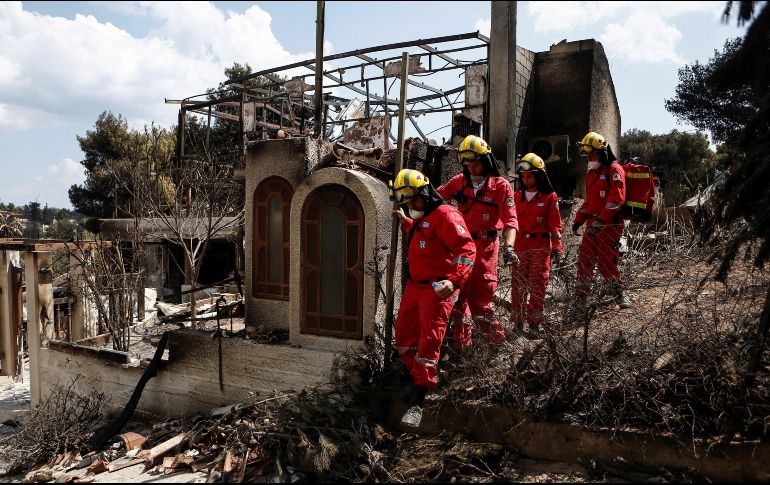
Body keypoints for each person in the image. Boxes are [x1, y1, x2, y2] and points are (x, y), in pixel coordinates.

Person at [390, 168, 476, 431]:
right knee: (403, 336)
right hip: (415, 287)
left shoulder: (446, 215)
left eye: (413, 201)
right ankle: (417, 377)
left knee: (430, 341)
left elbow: (467, 249)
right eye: (407, 203)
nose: (411, 206)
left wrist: (454, 281)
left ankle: (419, 399)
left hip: (437, 288)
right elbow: (424, 237)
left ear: (425, 194)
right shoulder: (422, 217)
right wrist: (407, 221)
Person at [435, 135, 519, 351]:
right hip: (460, 247)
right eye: (468, 166)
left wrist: (509, 247)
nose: (472, 169)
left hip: (485, 246)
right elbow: (434, 199)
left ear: (486, 161)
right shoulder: (459, 182)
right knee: (458, 298)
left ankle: (498, 346)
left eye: (476, 164)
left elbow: (511, 221)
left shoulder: (501, 186)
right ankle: (463, 349)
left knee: (480, 301)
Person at [571, 132, 633, 317]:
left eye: (591, 155)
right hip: (593, 223)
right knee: (585, 260)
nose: (588, 159)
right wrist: (578, 220)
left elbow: (616, 199)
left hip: (609, 223)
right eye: (586, 156)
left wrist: (601, 220)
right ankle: (581, 297)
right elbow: (588, 203)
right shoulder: (592, 173)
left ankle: (618, 293)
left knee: (607, 260)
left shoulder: (614, 170)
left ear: (602, 153)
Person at [510, 153, 564, 337]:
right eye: (523, 176)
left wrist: (557, 247)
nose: (526, 180)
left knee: (537, 284)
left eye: (530, 176)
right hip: (519, 246)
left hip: (540, 247)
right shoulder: (516, 197)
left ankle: (534, 324)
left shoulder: (550, 197)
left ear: (539, 176)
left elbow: (555, 226)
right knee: (518, 284)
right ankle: (518, 323)